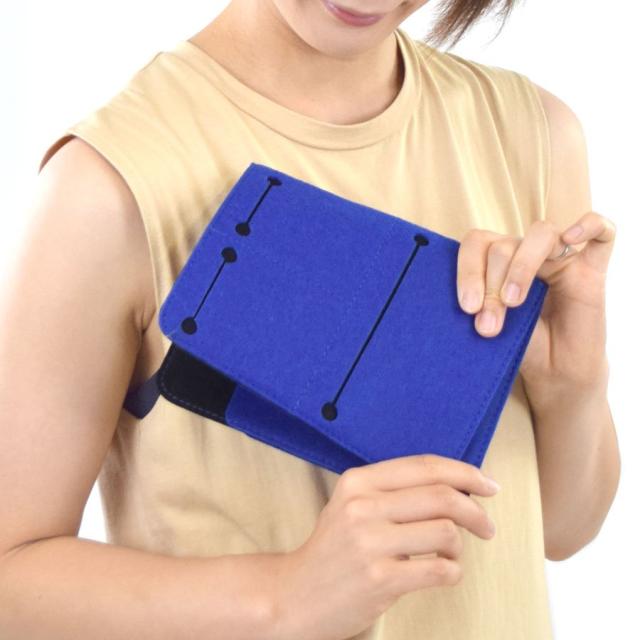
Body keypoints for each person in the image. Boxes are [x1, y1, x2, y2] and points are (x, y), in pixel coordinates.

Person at [0, 1, 620, 638]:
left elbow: (561, 529)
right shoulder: (110, 185)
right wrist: (286, 595)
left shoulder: (533, 133)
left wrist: (572, 387)